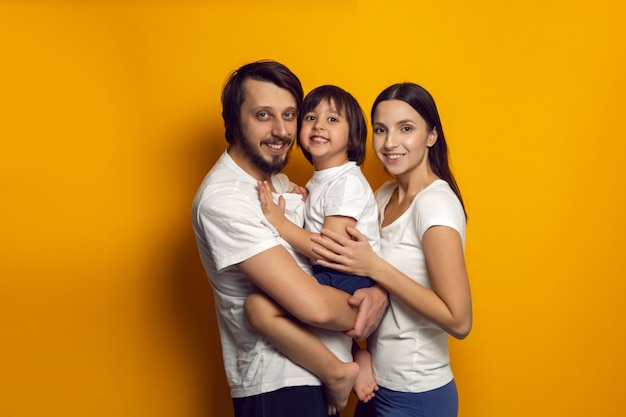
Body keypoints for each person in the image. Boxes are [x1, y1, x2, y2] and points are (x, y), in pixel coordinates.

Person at [191, 60, 388, 417]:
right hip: (279, 383)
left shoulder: (277, 184)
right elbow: (315, 306)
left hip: (320, 375)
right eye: (263, 115)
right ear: (235, 122)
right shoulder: (224, 199)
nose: (280, 130)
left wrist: (378, 290)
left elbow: (340, 256)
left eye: (289, 115)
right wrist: (374, 303)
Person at [311, 82, 472, 417]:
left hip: (418, 394)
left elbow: (459, 320)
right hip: (375, 385)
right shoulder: (383, 195)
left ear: (432, 136)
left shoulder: (436, 206)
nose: (390, 142)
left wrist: (375, 268)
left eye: (406, 129)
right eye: (381, 129)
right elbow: (346, 275)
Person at [244, 85, 379, 414]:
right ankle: (357, 356)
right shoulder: (323, 180)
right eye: (311, 117)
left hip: (349, 279)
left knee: (258, 309)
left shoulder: (345, 182)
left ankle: (340, 370)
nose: (319, 125)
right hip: (337, 277)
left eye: (333, 119)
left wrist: (280, 222)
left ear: (353, 135)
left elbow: (327, 251)